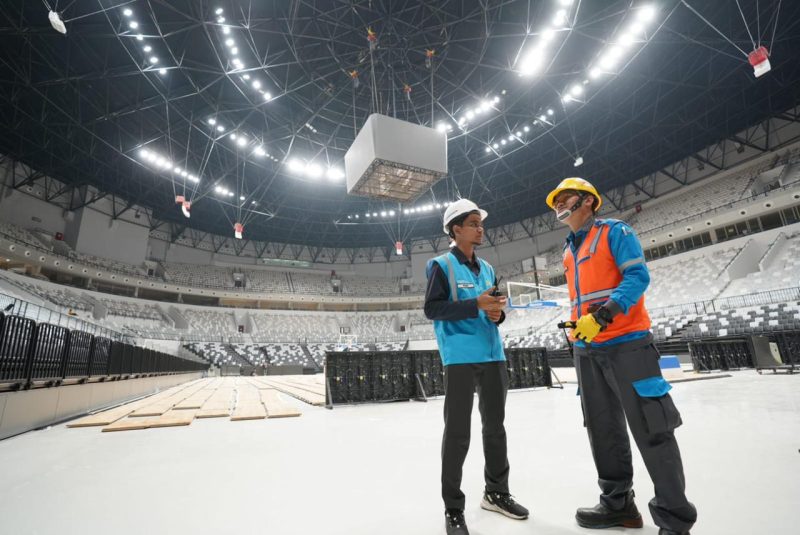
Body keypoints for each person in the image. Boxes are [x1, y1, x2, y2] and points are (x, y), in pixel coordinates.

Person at [546, 178, 697, 535]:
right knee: (603, 430)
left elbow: (637, 277)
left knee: (652, 429)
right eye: (555, 202)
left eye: (564, 199)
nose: (557, 206)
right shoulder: (568, 251)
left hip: (628, 345)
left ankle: (675, 520)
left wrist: (603, 314)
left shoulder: (615, 232)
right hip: (587, 350)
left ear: (587, 201)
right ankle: (618, 505)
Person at [424, 198, 528, 535]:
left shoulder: (488, 269)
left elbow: (495, 311)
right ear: (456, 229)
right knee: (457, 434)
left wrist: (497, 315)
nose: (480, 228)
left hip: (493, 354)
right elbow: (433, 309)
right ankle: (453, 508)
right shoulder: (440, 265)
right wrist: (475, 304)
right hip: (460, 358)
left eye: (481, 223)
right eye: (473, 223)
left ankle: (496, 492)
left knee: (495, 429)